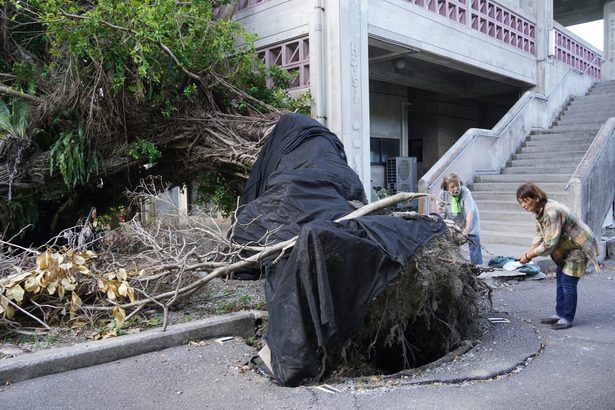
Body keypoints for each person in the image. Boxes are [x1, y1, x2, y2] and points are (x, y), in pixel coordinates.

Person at [516, 182, 599, 330]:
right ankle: (559, 313)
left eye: (525, 200)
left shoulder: (551, 212)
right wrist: (528, 252)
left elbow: (549, 244)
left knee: (567, 282)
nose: (523, 205)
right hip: (566, 248)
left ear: (536, 197)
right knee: (560, 279)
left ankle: (567, 317)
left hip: (578, 246)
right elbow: (540, 234)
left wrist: (529, 256)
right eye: (521, 202)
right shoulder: (539, 211)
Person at [437, 173, 483, 265]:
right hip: (454, 217)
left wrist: (466, 230)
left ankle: (476, 265)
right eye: (452, 187)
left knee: (473, 237)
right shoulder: (443, 193)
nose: (456, 189)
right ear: (446, 187)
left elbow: (470, 212)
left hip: (469, 216)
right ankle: (453, 263)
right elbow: (439, 206)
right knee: (451, 240)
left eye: (457, 185)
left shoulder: (465, 192)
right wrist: (440, 211)